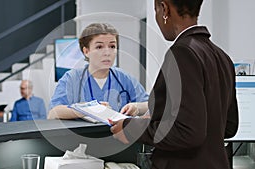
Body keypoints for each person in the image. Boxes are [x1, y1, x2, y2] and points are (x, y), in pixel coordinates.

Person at [110, 0, 239, 169]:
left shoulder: (182, 52)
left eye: (156, 10)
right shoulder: (222, 57)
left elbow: (188, 132)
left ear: (165, 9)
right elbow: (230, 127)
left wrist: (130, 127)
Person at [48, 23, 149, 120]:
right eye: (99, 47)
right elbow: (53, 113)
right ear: (86, 51)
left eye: (112, 46)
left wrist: (137, 107)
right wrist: (87, 110)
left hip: (118, 136)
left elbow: (151, 105)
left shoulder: (124, 78)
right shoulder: (72, 78)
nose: (107, 52)